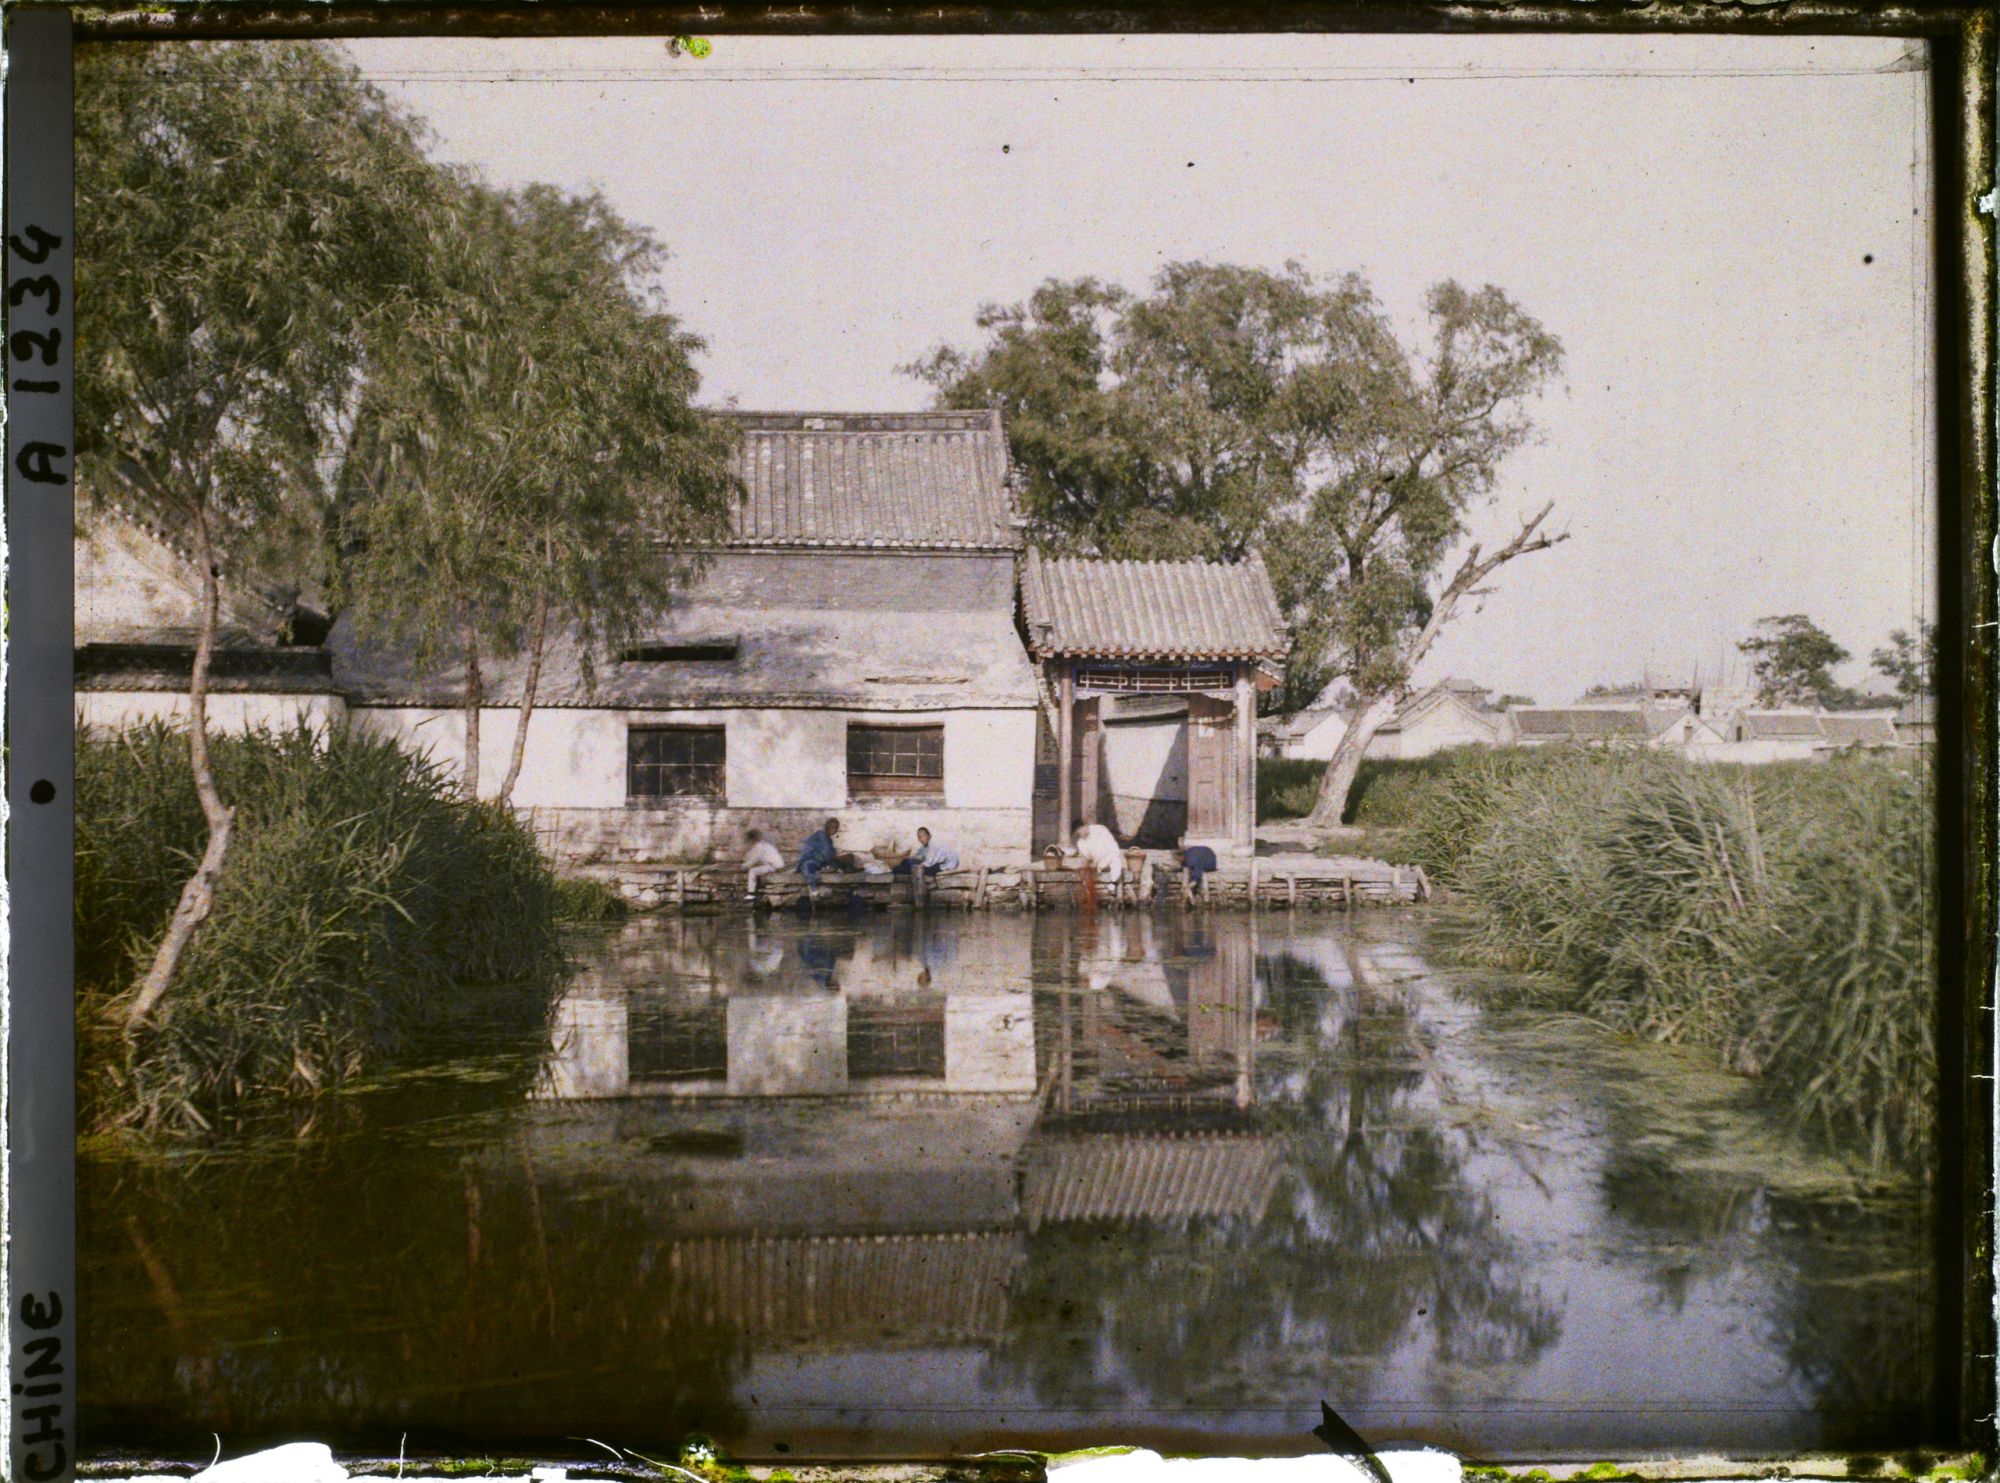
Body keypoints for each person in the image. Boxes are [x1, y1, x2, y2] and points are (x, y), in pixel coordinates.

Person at [797, 817, 859, 896]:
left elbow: (829, 854)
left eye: (836, 827)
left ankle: (850, 882)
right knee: (848, 858)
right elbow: (826, 855)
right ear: (826, 826)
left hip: (820, 862)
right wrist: (840, 858)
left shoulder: (828, 839)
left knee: (848, 859)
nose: (834, 829)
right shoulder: (821, 835)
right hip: (811, 861)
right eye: (832, 826)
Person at [892, 826, 960, 878]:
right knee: (907, 861)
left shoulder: (933, 843)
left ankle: (898, 869)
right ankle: (900, 868)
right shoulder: (926, 845)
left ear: (928, 835)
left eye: (923, 836)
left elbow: (929, 862)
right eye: (919, 837)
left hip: (946, 865)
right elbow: (920, 855)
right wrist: (912, 859)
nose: (921, 839)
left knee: (911, 868)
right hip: (939, 863)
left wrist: (918, 866)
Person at [742, 828, 784, 901]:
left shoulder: (759, 846)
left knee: (752, 871)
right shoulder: (764, 845)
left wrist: (745, 866)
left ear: (753, 839)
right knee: (756, 870)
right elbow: (751, 856)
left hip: (774, 866)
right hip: (774, 865)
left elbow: (754, 859)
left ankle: (751, 894)